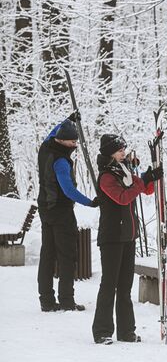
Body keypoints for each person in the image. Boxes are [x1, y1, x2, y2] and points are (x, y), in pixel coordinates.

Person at [92, 134, 162, 345]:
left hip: (129, 235)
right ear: (109, 153)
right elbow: (123, 197)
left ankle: (126, 331)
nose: (123, 152)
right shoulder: (106, 176)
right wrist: (142, 182)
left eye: (123, 148)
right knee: (109, 285)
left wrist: (150, 178)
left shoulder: (126, 170)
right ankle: (102, 331)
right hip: (112, 237)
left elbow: (144, 191)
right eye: (119, 149)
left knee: (125, 286)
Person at [37, 113, 99, 312]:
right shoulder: (61, 162)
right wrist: (90, 202)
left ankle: (46, 301)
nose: (75, 145)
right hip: (61, 212)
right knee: (66, 255)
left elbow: (53, 133)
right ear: (63, 141)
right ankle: (66, 300)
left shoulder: (46, 147)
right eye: (73, 141)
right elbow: (68, 190)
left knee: (47, 253)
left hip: (45, 208)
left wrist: (68, 120)